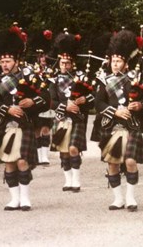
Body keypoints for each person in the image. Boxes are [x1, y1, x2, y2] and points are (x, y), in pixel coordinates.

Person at [0, 25, 50, 211]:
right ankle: (13, 199)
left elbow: (46, 98)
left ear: (16, 60)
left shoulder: (29, 76)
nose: (5, 65)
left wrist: (32, 101)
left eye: (8, 61)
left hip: (25, 124)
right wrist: (6, 109)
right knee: (9, 161)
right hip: (7, 125)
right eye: (2, 61)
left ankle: (25, 198)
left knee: (22, 160)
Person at [95, 29, 143, 211]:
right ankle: (118, 198)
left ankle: (130, 197)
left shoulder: (134, 80)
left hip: (131, 126)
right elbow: (98, 103)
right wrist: (114, 112)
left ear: (126, 63)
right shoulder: (104, 80)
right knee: (112, 163)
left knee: (129, 161)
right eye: (113, 61)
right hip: (112, 126)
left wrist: (140, 105)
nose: (115, 64)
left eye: (119, 61)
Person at [50, 30, 94, 192]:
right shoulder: (53, 80)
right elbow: (51, 101)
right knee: (64, 152)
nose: (64, 66)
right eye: (62, 63)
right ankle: (67, 180)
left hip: (77, 118)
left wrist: (84, 100)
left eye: (67, 63)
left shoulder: (81, 78)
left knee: (73, 148)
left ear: (72, 63)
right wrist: (64, 106)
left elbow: (94, 96)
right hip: (61, 118)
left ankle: (76, 180)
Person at [29, 29, 55, 165]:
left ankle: (45, 155)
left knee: (46, 127)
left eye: (45, 56)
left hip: (48, 102)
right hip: (35, 103)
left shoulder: (53, 71)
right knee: (37, 129)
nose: (43, 59)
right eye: (40, 56)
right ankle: (38, 155)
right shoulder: (31, 70)